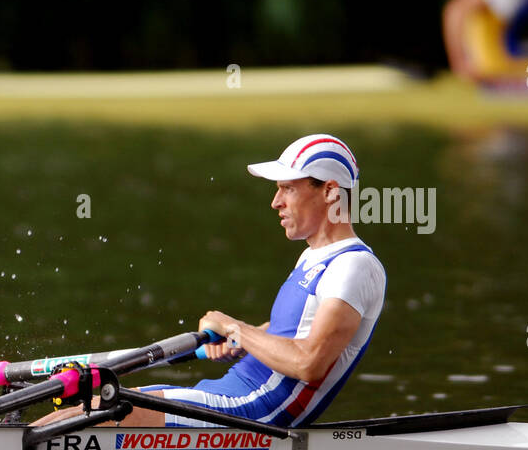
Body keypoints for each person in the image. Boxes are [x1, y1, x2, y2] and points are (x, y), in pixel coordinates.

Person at [36, 134, 385, 429]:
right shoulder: (315, 256)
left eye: (287, 189)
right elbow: (290, 334)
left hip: (258, 411)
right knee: (96, 405)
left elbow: (309, 363)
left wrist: (236, 328)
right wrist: (242, 339)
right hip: (233, 393)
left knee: (107, 410)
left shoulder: (353, 266)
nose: (275, 202)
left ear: (329, 192)